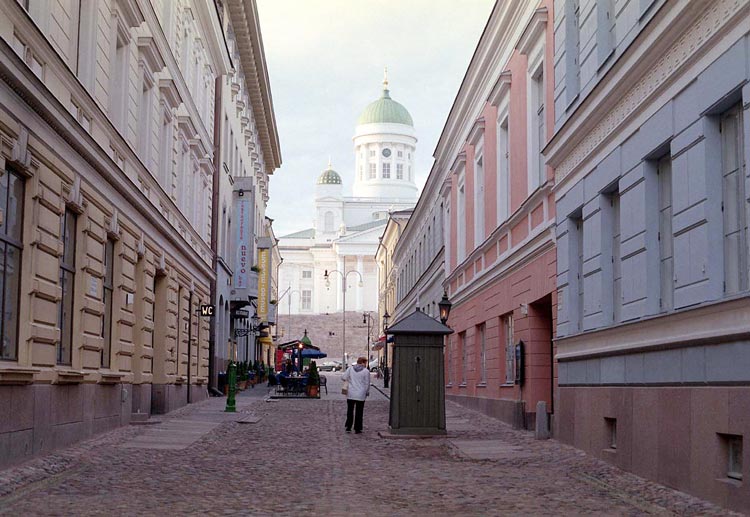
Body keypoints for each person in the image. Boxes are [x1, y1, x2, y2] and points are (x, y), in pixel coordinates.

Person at [341, 357, 371, 434]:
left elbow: (343, 377)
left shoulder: (350, 369)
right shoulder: (366, 371)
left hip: (351, 393)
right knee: (359, 411)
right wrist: (367, 392)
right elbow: (367, 383)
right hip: (361, 394)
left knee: (350, 410)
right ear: (363, 362)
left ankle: (348, 426)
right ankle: (357, 428)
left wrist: (350, 380)